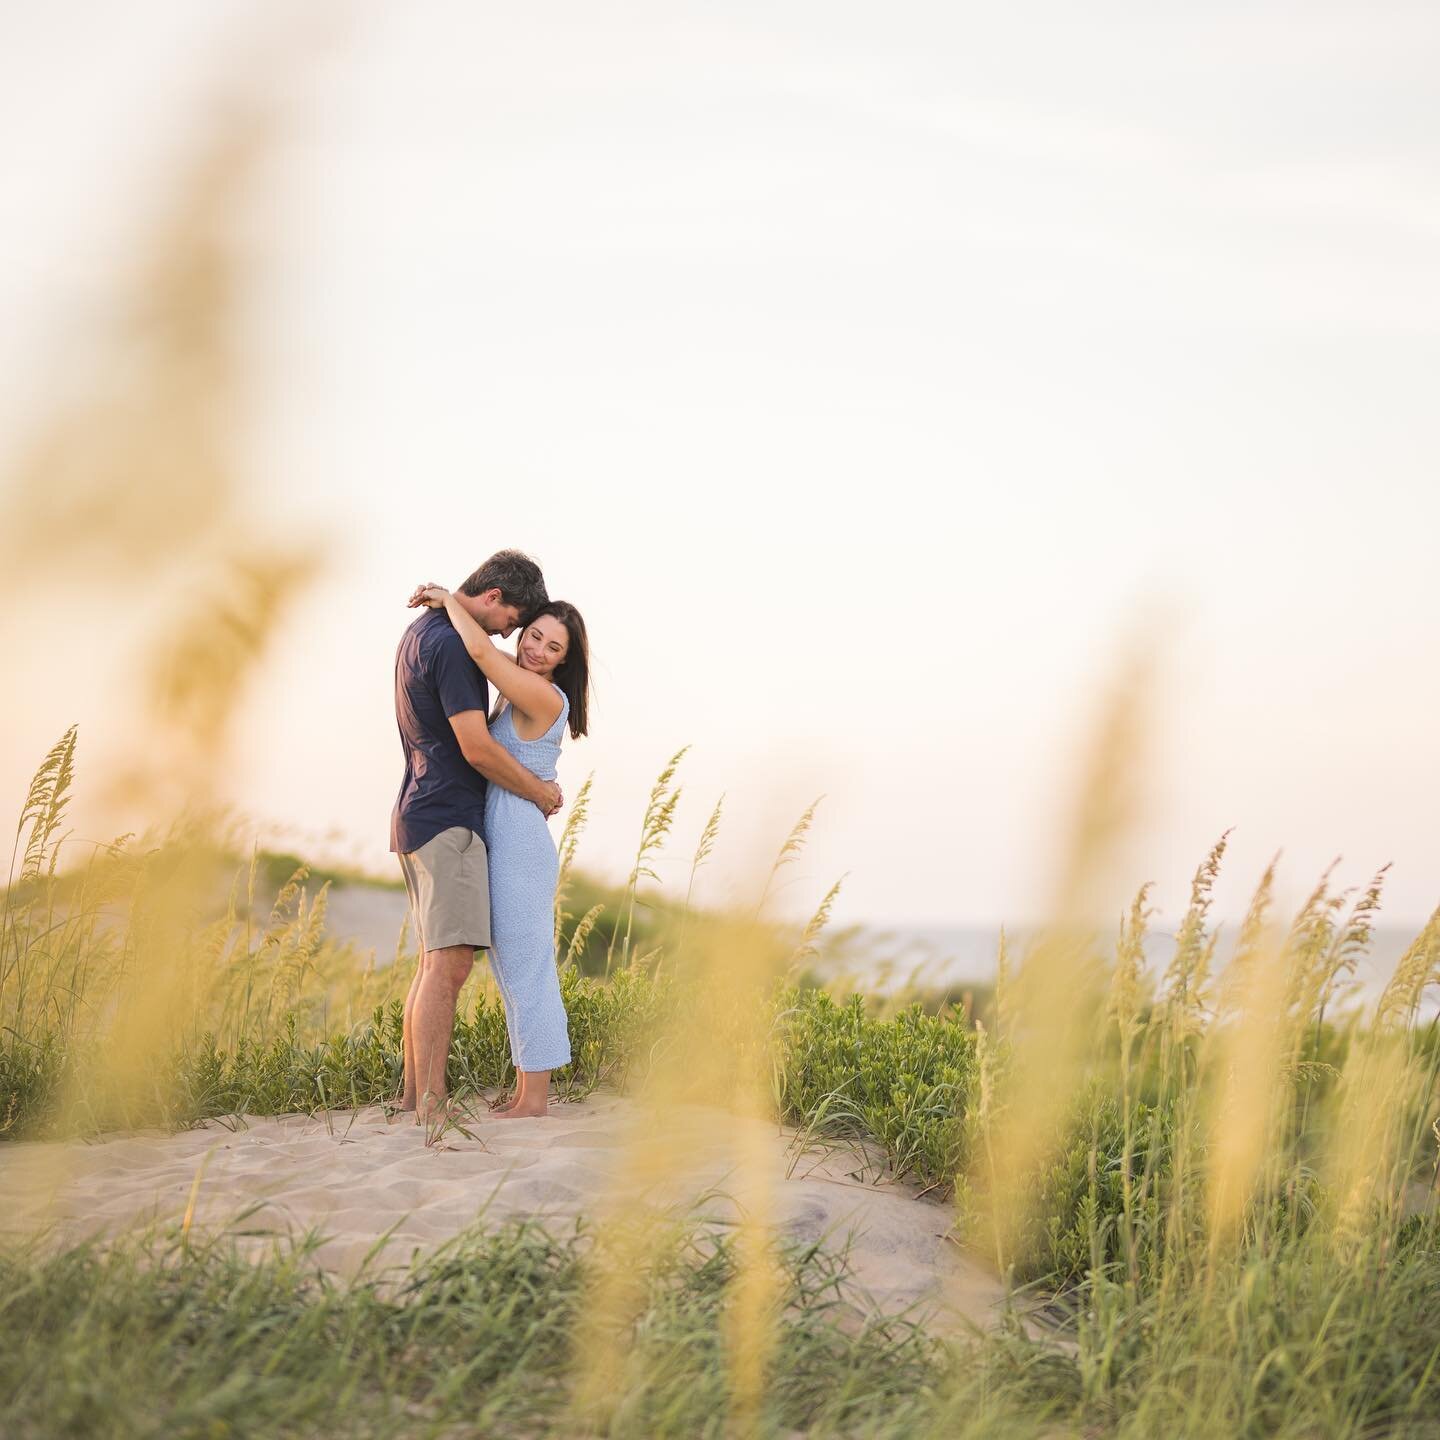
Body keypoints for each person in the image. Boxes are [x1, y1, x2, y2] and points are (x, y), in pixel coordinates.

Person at [407, 580, 590, 1119]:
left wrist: (450, 602)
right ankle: (522, 1090)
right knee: (513, 968)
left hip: (520, 842)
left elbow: (482, 649)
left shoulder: (542, 695)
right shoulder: (518, 689)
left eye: (552, 647)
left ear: (564, 663)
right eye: (533, 636)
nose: (535, 649)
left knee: (529, 966)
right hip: (505, 833)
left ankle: (534, 1099)